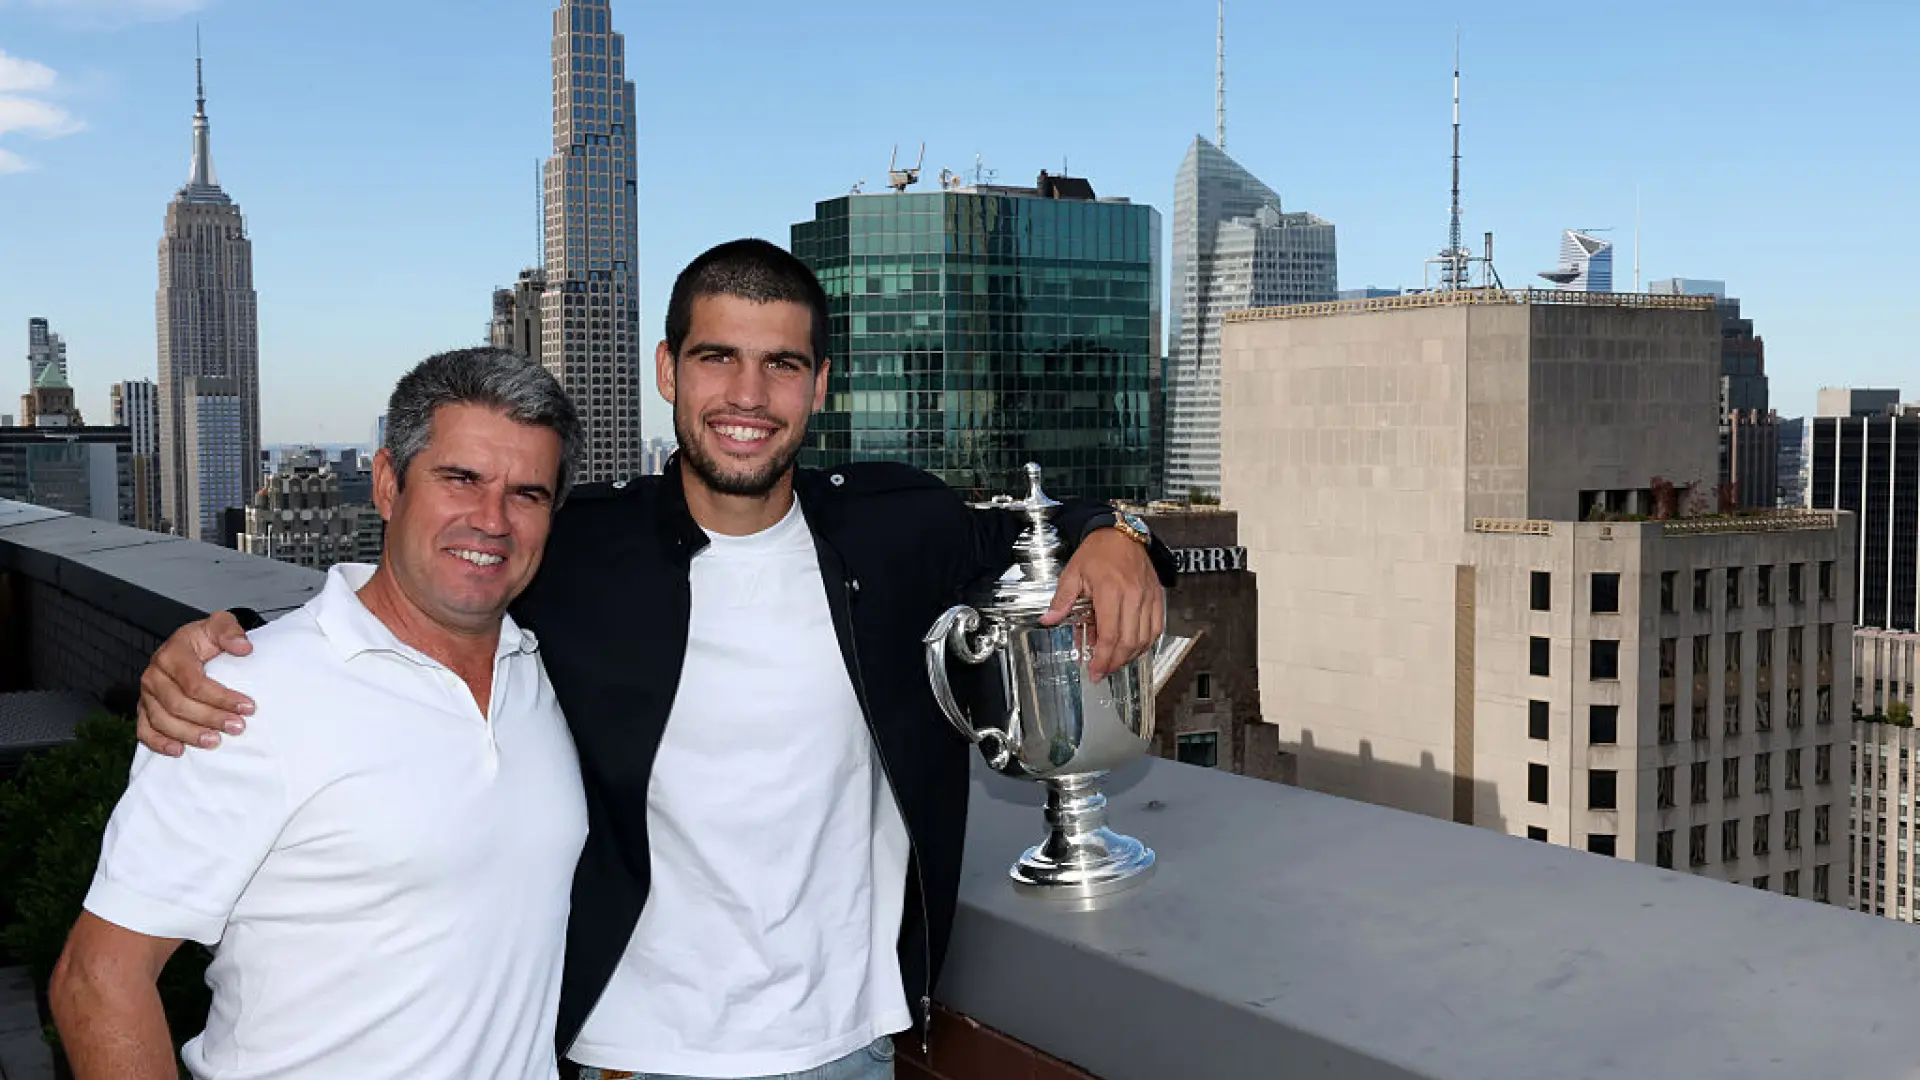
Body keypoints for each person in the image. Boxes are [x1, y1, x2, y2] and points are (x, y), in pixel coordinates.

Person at [137, 239, 1176, 1080]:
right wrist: (230, 639)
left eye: (781, 365)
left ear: (819, 386)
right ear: (669, 371)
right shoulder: (580, 545)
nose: (747, 395)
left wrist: (1119, 533)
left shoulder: (897, 528)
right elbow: (425, 586)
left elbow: (1043, 534)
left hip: (851, 1042)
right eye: (718, 358)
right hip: (635, 1054)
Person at [53, 349, 589, 1079]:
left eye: (526, 494)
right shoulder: (244, 697)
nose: (491, 519)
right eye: (461, 478)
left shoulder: (546, 672)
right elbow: (98, 979)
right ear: (388, 484)